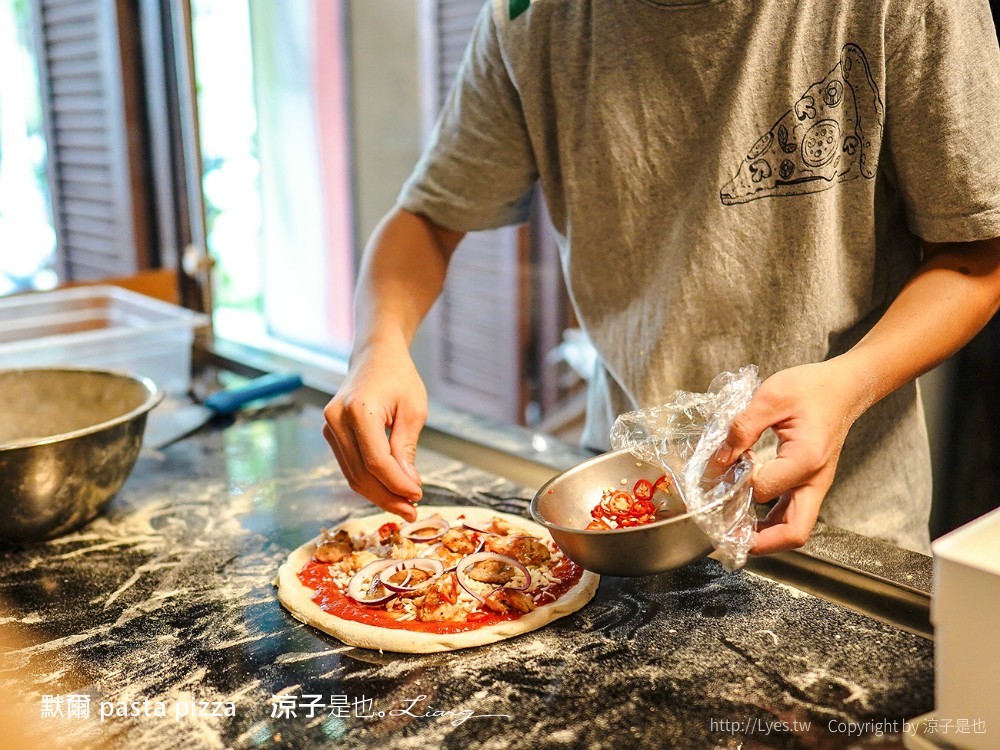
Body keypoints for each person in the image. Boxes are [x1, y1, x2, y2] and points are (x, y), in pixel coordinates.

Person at [323, 0, 1000, 556]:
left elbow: (978, 256)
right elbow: (428, 220)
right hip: (620, 510)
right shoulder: (528, 17)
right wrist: (377, 349)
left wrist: (850, 385)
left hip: (841, 523)